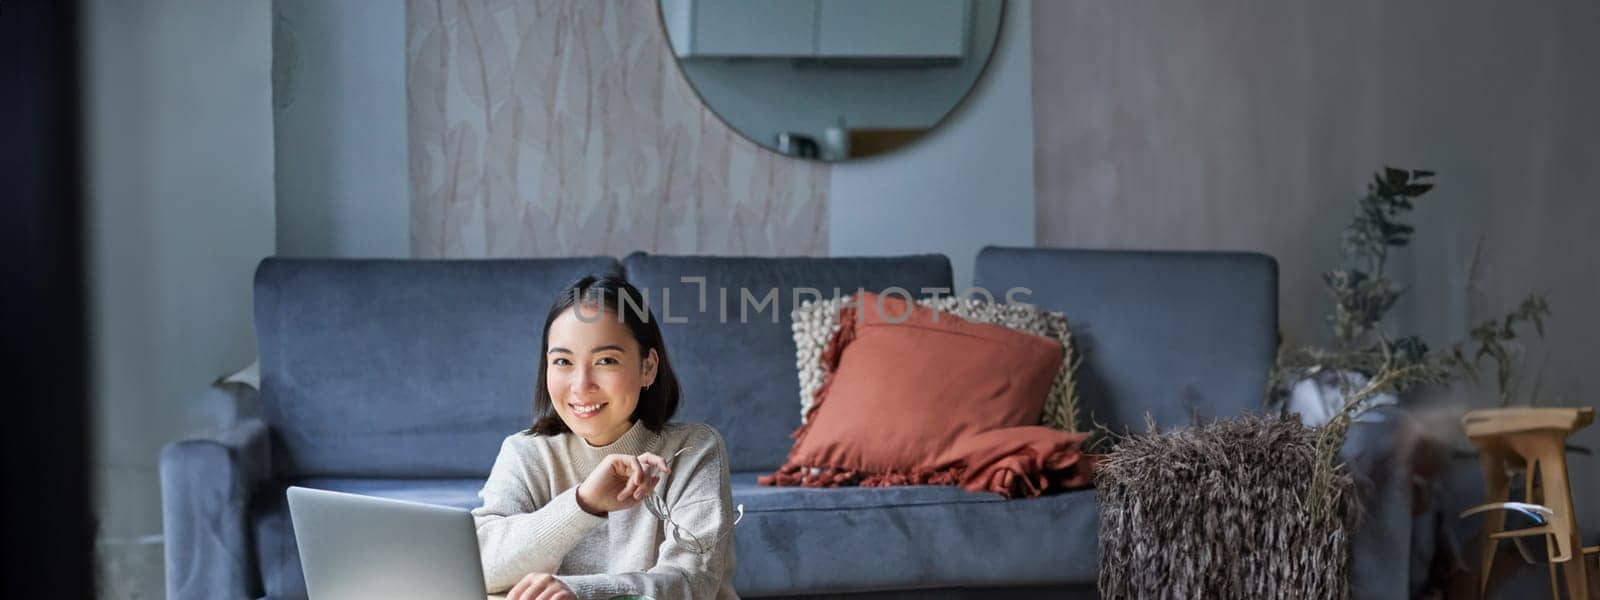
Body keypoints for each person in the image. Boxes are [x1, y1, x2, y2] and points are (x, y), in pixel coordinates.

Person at [474, 275, 739, 599]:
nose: (581, 384)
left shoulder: (694, 449)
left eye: (606, 361)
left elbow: (692, 582)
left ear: (648, 367)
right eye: (563, 361)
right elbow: (480, 567)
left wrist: (581, 593)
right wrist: (584, 502)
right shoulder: (523, 453)